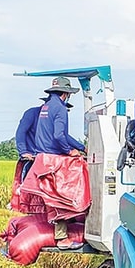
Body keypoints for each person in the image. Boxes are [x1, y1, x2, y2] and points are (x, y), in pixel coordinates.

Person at [32, 76, 87, 249]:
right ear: (66, 94)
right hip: (54, 158)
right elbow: (59, 136)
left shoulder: (46, 107)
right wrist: (70, 151)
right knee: (64, 196)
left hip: (42, 157)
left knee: (53, 197)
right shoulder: (61, 108)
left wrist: (82, 146)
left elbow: (62, 134)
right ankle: (62, 238)